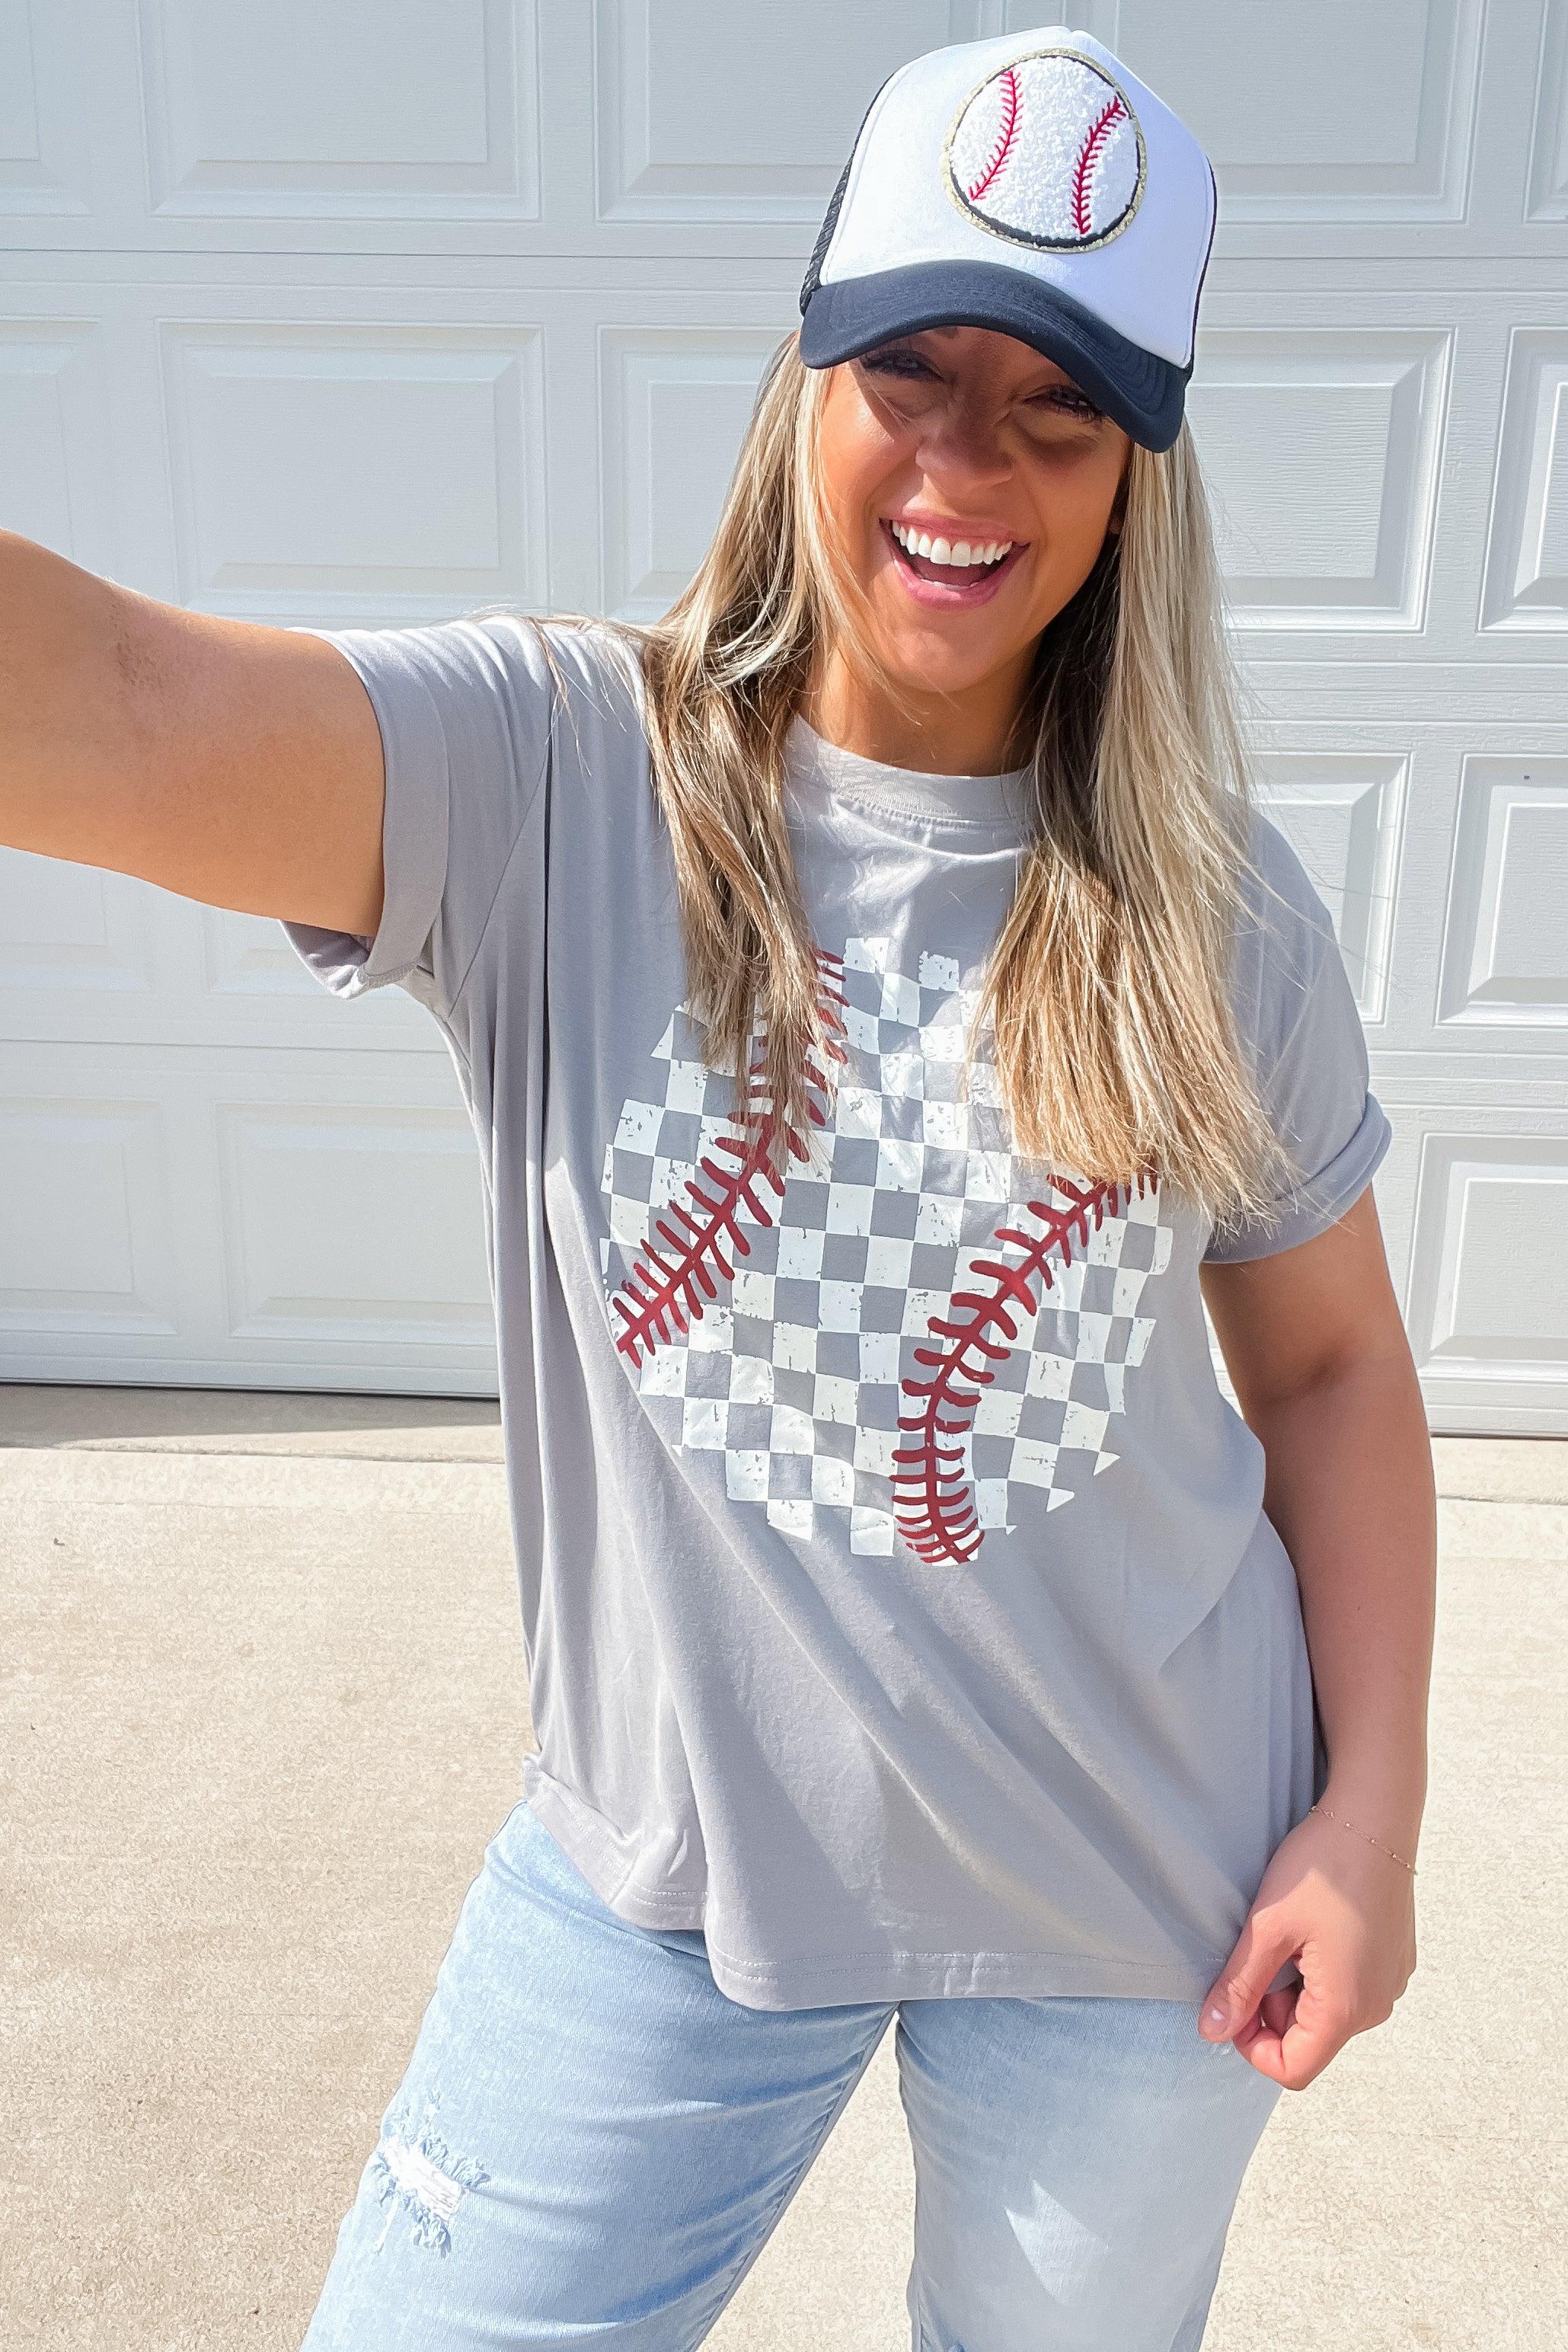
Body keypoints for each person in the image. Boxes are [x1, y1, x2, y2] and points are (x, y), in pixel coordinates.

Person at [2, 24, 1437, 2352]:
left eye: (1057, 405)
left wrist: (1367, 1818)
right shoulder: (554, 777)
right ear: (804, 376)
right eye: (909, 367)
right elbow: (122, 706)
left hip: (1138, 1892)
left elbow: (1336, 1372)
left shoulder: (1211, 910)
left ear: (1134, 476)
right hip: (664, 1878)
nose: (965, 460)